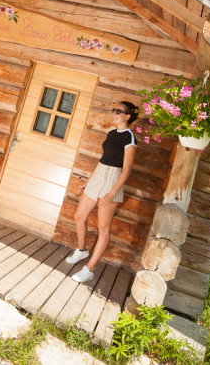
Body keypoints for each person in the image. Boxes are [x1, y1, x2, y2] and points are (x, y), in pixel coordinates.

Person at [65, 101, 138, 283]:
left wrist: (112, 193)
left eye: (118, 111)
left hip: (112, 181)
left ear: (127, 116)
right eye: (113, 110)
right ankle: (82, 250)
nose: (114, 113)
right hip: (98, 177)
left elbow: (127, 169)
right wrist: (88, 182)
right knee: (79, 216)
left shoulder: (130, 138)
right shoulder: (112, 133)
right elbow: (103, 159)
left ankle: (89, 269)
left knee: (103, 228)